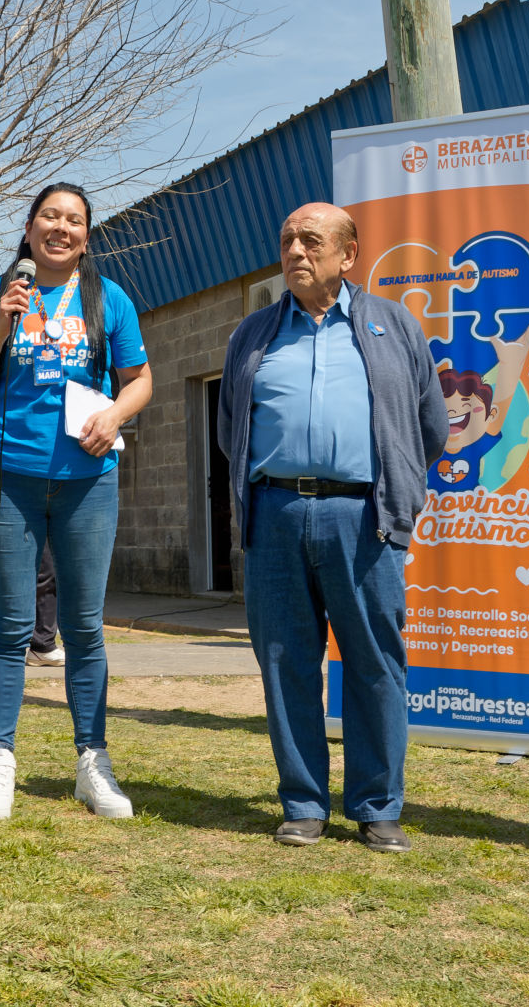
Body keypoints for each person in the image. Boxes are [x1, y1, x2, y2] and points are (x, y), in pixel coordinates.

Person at [216, 203, 443, 854]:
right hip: (277, 514)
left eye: (311, 241)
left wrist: (385, 484)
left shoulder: (393, 325)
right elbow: (233, 427)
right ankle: (304, 803)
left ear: (349, 255)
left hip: (363, 516)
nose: (295, 251)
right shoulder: (252, 335)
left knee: (374, 663)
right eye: (287, 239)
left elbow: (425, 426)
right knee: (286, 660)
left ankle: (377, 807)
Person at [0, 182, 153, 821]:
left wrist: (116, 416)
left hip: (86, 480)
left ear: (86, 235)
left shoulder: (108, 299)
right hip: (9, 477)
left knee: (84, 625)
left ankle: (92, 762)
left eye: (74, 220)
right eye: (50, 217)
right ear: (31, 228)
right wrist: (3, 326)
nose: (61, 228)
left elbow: (140, 379)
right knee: (10, 626)